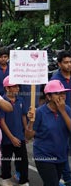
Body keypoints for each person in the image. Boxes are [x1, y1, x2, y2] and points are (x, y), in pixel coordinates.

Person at [26, 80, 71, 186]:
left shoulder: (67, 110)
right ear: (49, 97)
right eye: (57, 93)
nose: (62, 96)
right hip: (44, 156)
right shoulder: (40, 112)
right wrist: (31, 123)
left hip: (61, 156)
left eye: (63, 93)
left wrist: (63, 111)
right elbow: (28, 136)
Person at [0, 76, 29, 186]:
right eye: (14, 86)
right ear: (7, 88)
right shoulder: (2, 101)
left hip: (20, 136)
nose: (17, 88)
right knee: (6, 160)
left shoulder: (20, 99)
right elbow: (2, 121)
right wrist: (11, 138)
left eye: (18, 86)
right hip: (7, 138)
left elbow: (23, 116)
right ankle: (5, 179)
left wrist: (26, 132)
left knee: (23, 161)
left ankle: (24, 180)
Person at [50, 51, 71, 186]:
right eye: (66, 62)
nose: (69, 65)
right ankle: (67, 178)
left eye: (70, 62)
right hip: (62, 118)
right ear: (59, 64)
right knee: (63, 148)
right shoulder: (55, 80)